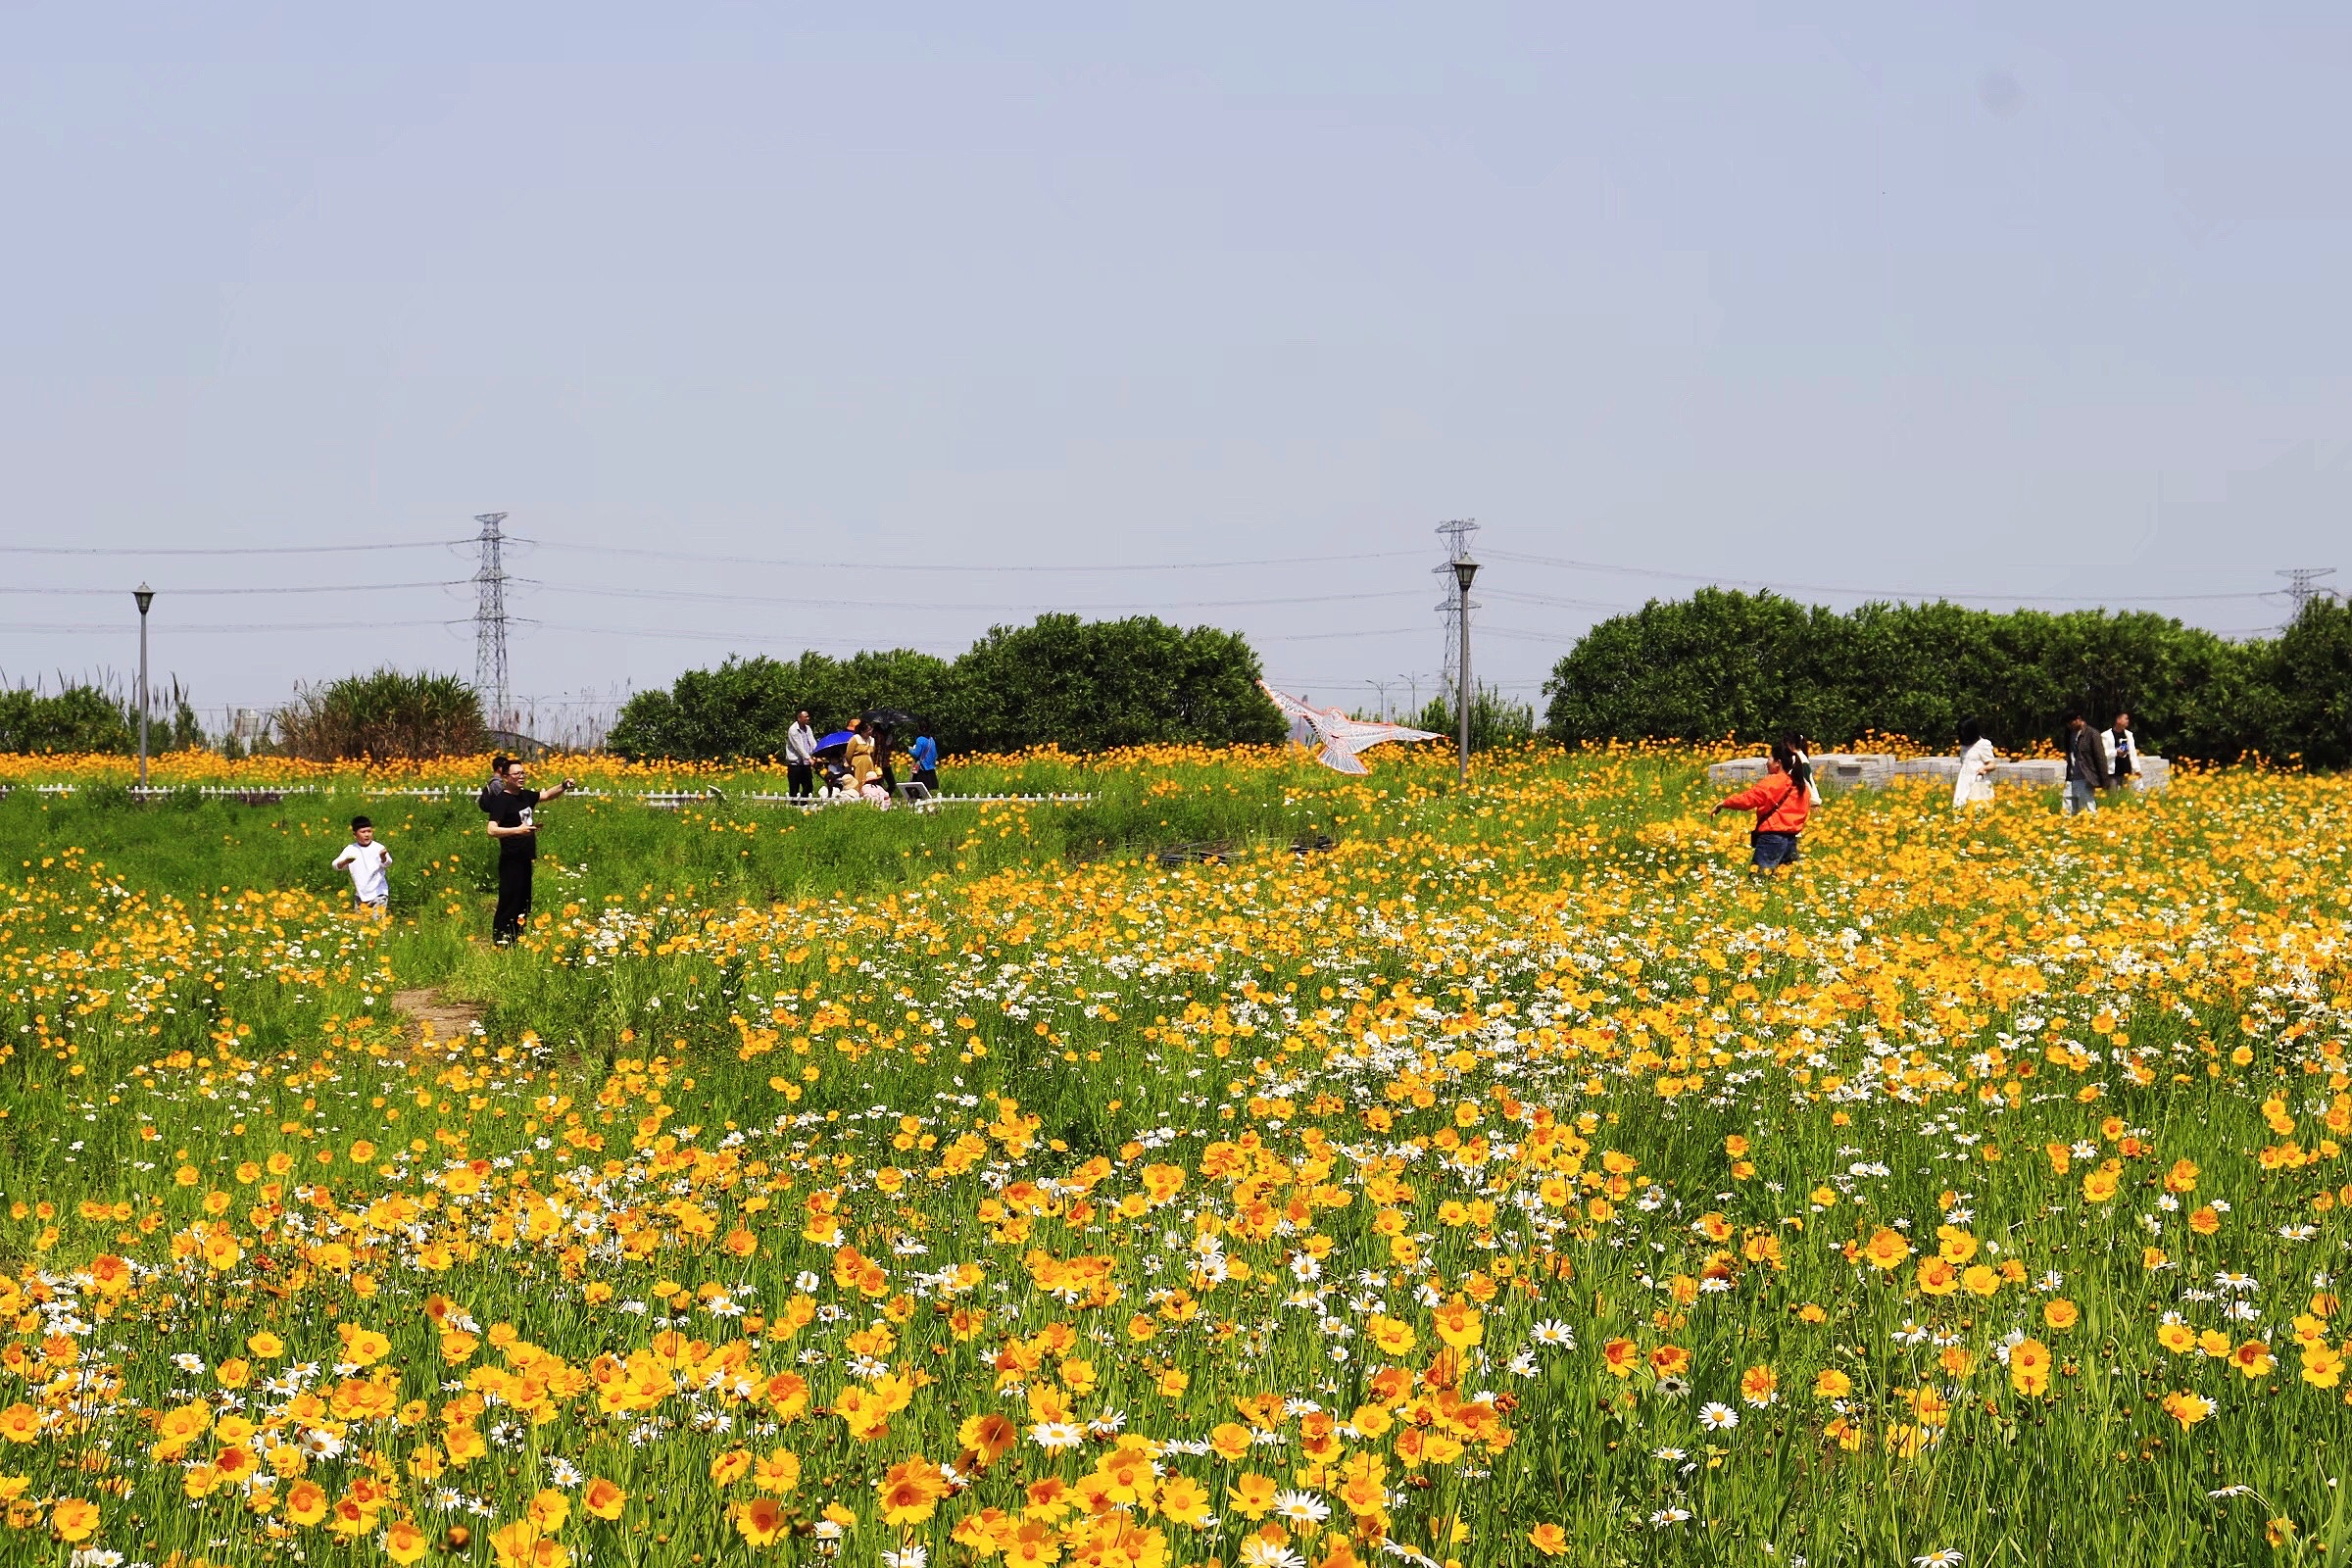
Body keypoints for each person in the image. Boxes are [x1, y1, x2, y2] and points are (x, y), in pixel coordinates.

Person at [482, 756, 574, 944]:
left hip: (525, 857)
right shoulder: (502, 800)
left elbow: (547, 795)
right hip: (510, 859)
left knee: (524, 902)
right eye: (517, 774)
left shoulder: (525, 796)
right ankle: (501, 941)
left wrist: (563, 785)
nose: (522, 776)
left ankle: (517, 937)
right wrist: (519, 830)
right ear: (506, 777)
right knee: (509, 901)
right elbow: (491, 829)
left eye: (523, 773)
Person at [1710, 740, 1811, 870]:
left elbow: (1747, 800)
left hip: (1771, 840)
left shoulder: (1771, 782)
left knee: (1759, 881)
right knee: (1783, 882)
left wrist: (1724, 803)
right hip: (1790, 841)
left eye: (1769, 758)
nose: (1766, 762)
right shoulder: (1801, 786)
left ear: (1778, 763)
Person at [332, 815, 391, 918]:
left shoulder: (378, 847)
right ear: (355, 834)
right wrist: (346, 861)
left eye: (369, 831)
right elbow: (336, 865)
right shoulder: (350, 849)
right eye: (363, 832)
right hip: (360, 895)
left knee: (378, 924)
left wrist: (383, 857)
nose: (367, 835)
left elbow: (387, 863)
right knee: (361, 927)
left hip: (378, 893)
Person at [2062, 714, 2103, 816]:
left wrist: (2103, 779)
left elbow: (2100, 757)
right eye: (2067, 724)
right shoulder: (2068, 734)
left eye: (2071, 723)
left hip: (2085, 778)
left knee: (2088, 811)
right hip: (2071, 778)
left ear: (2079, 719)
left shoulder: (2092, 734)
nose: (2069, 726)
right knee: (2067, 811)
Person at [1953, 718, 1997, 808]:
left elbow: (1992, 764)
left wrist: (1984, 769)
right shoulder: (1963, 746)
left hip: (1977, 781)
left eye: (1964, 731)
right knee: (1960, 807)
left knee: (1977, 809)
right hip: (1964, 781)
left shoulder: (1982, 745)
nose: (1962, 734)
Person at [2100, 711, 2138, 791]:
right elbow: (2102, 754)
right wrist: (2116, 752)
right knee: (2113, 796)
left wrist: (2137, 769)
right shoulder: (2105, 735)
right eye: (2126, 719)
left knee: (2126, 797)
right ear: (2118, 720)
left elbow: (2133, 753)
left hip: (2127, 771)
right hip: (2113, 772)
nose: (2128, 721)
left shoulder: (2129, 735)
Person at [785, 710, 818, 800]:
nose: (808, 718)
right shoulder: (793, 730)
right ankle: (794, 807)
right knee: (794, 789)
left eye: (808, 716)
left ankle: (804, 805)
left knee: (808, 787)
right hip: (795, 764)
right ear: (799, 718)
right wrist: (809, 758)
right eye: (806, 717)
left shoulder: (808, 728)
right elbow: (798, 747)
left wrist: (817, 754)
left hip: (806, 764)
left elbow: (812, 742)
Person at [907, 729, 940, 796]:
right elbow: (935, 754)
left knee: (916, 789)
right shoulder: (931, 740)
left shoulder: (920, 739)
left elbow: (916, 754)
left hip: (921, 768)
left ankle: (914, 803)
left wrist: (910, 750)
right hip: (930, 769)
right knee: (926, 790)